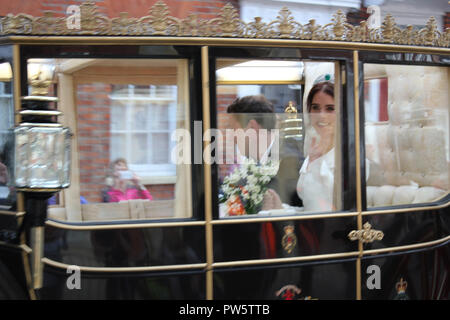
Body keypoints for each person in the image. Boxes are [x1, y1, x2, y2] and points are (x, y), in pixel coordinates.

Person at [296, 80, 336, 212]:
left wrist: (316, 164)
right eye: (315, 108)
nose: (321, 115)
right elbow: (303, 193)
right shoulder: (313, 150)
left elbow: (335, 198)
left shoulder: (351, 154)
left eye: (330, 109)